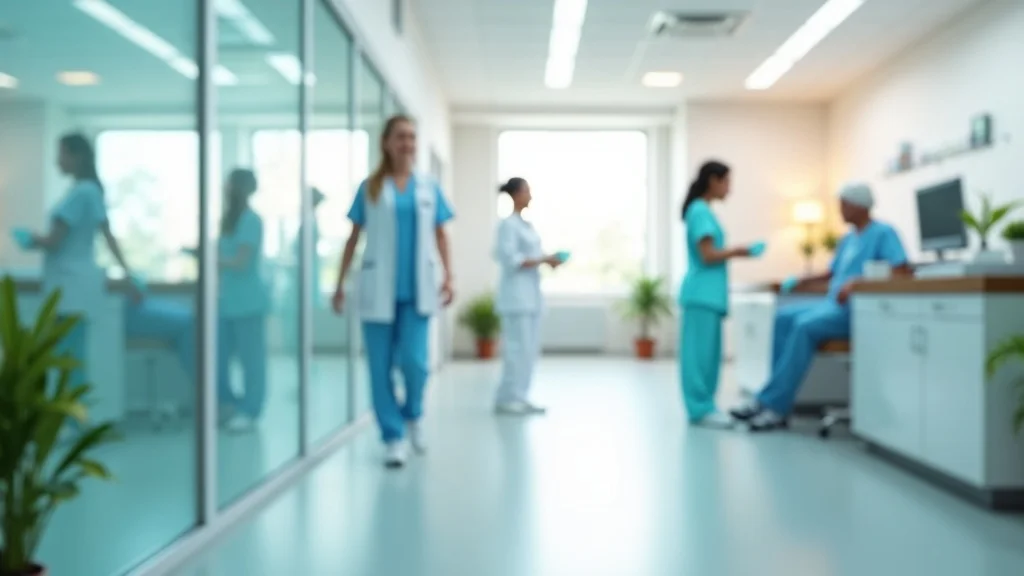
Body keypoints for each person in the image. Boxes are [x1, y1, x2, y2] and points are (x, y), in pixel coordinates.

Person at [730, 182, 910, 431]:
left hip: (855, 312)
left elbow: (901, 270)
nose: (840, 210)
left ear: (860, 205)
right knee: (783, 317)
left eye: (844, 205)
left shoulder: (883, 233)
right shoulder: (847, 239)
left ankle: (774, 407)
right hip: (831, 306)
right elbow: (831, 273)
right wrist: (800, 280)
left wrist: (857, 282)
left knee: (805, 326)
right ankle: (769, 402)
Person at [332, 115, 455, 468]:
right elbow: (353, 238)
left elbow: (441, 234)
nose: (408, 144)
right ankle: (393, 436)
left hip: (417, 293)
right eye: (401, 137)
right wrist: (340, 284)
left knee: (416, 364)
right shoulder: (369, 187)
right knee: (380, 368)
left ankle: (413, 414)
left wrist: (449, 277)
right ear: (386, 142)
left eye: (412, 137)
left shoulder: (429, 186)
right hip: (376, 290)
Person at [25, 133, 141, 385]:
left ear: (76, 156)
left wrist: (31, 239)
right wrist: (127, 271)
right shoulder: (89, 191)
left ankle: (71, 422)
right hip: (79, 285)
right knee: (73, 355)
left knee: (67, 357)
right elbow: (108, 235)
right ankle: (74, 421)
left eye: (61, 154)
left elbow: (54, 241)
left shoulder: (81, 193)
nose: (58, 161)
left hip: (70, 286)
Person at [678, 161, 765, 428]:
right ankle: (700, 409)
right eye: (727, 182)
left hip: (708, 296)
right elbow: (707, 255)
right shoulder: (700, 211)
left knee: (708, 356)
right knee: (699, 358)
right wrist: (740, 251)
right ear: (713, 180)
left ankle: (706, 406)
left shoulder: (703, 211)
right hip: (701, 295)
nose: (730, 188)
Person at [493, 177, 563, 415]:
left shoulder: (527, 225)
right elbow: (510, 259)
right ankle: (506, 397)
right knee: (515, 350)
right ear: (516, 194)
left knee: (529, 351)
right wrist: (543, 259)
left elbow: (533, 256)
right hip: (515, 299)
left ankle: (521, 396)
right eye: (527, 192)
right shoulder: (507, 226)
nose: (530, 196)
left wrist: (548, 259)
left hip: (531, 298)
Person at [217, 168, 270, 433]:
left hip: (248, 301)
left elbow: (240, 262)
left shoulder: (251, 220)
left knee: (252, 361)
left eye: (229, 185)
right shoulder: (229, 221)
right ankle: (230, 404)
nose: (225, 189)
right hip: (228, 302)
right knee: (220, 356)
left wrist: (209, 259)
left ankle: (250, 410)